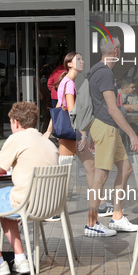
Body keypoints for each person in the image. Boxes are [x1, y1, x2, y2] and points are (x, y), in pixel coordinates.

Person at [0, 102, 59, 275]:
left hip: (25, 202)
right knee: (4, 206)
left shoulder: (17, 138)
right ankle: (21, 259)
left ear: (17, 123)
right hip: (49, 204)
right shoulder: (48, 142)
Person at [85, 36, 138, 237]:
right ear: (116, 51)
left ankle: (117, 217)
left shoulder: (95, 70)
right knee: (101, 175)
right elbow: (112, 109)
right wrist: (133, 135)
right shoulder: (105, 74)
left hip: (105, 127)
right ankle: (91, 223)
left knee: (125, 168)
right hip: (107, 127)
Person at [43, 51, 96, 221]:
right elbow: (72, 109)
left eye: (82, 58)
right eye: (78, 59)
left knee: (89, 167)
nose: (82, 61)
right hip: (71, 133)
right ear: (70, 64)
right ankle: (51, 208)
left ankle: (98, 204)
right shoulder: (69, 83)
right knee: (64, 172)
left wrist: (49, 130)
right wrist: (83, 132)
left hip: (68, 132)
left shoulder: (66, 81)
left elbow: (58, 106)